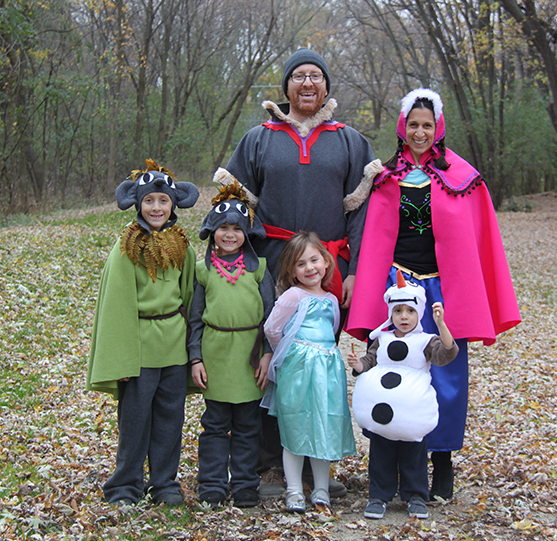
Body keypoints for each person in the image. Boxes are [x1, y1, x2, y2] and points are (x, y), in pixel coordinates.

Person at [213, 48, 380, 499]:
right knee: (271, 355)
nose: (308, 84)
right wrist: (241, 263)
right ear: (285, 86)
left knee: (316, 364)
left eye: (316, 77)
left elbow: (364, 213)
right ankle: (270, 461)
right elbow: (235, 207)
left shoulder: (349, 140)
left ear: (326, 86)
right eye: (299, 77)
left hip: (329, 267)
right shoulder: (259, 139)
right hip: (269, 264)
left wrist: (354, 272)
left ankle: (314, 466)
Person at [346, 88, 521, 501]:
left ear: (437, 127)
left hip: (443, 288)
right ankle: (394, 462)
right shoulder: (384, 177)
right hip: (399, 287)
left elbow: (478, 238)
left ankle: (441, 462)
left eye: (427, 125)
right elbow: (371, 235)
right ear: (402, 127)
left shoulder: (462, 177)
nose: (420, 132)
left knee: (445, 375)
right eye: (413, 124)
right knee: (394, 370)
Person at [86, 159, 199, 506]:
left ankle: (164, 482)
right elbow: (116, 308)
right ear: (138, 203)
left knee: (169, 418)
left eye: (163, 201)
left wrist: (194, 351)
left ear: (174, 203)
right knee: (135, 422)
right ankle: (125, 485)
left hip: (174, 347)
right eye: (149, 200)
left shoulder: (183, 247)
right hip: (139, 348)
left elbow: (192, 297)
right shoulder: (127, 249)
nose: (156, 207)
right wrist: (118, 360)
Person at [188, 181, 275, 509]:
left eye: (237, 229)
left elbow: (271, 317)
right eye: (223, 227)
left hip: (249, 358)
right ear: (213, 231)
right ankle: (211, 483)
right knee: (214, 424)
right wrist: (195, 358)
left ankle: (244, 484)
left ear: (246, 234)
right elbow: (195, 320)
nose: (229, 234)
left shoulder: (259, 271)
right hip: (216, 355)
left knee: (247, 425)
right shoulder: (203, 271)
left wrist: (267, 352)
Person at [262, 231, 356, 513]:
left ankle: (321, 488)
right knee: (295, 425)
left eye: (314, 260)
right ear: (292, 271)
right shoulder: (293, 296)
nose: (309, 268)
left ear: (327, 262)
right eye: (301, 264)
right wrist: (292, 352)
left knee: (323, 425)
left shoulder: (330, 299)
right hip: (299, 369)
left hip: (327, 369)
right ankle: (293, 490)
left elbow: (332, 331)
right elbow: (272, 329)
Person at [348, 282, 459, 520]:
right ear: (390, 314)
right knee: (381, 454)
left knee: (413, 454)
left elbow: (447, 354)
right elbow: (370, 360)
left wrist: (441, 325)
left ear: (419, 313)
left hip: (412, 413)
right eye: (397, 311)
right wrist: (359, 365)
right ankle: (379, 496)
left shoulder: (426, 341)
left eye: (410, 311)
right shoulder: (382, 339)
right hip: (382, 413)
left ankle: (415, 496)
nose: (404, 317)